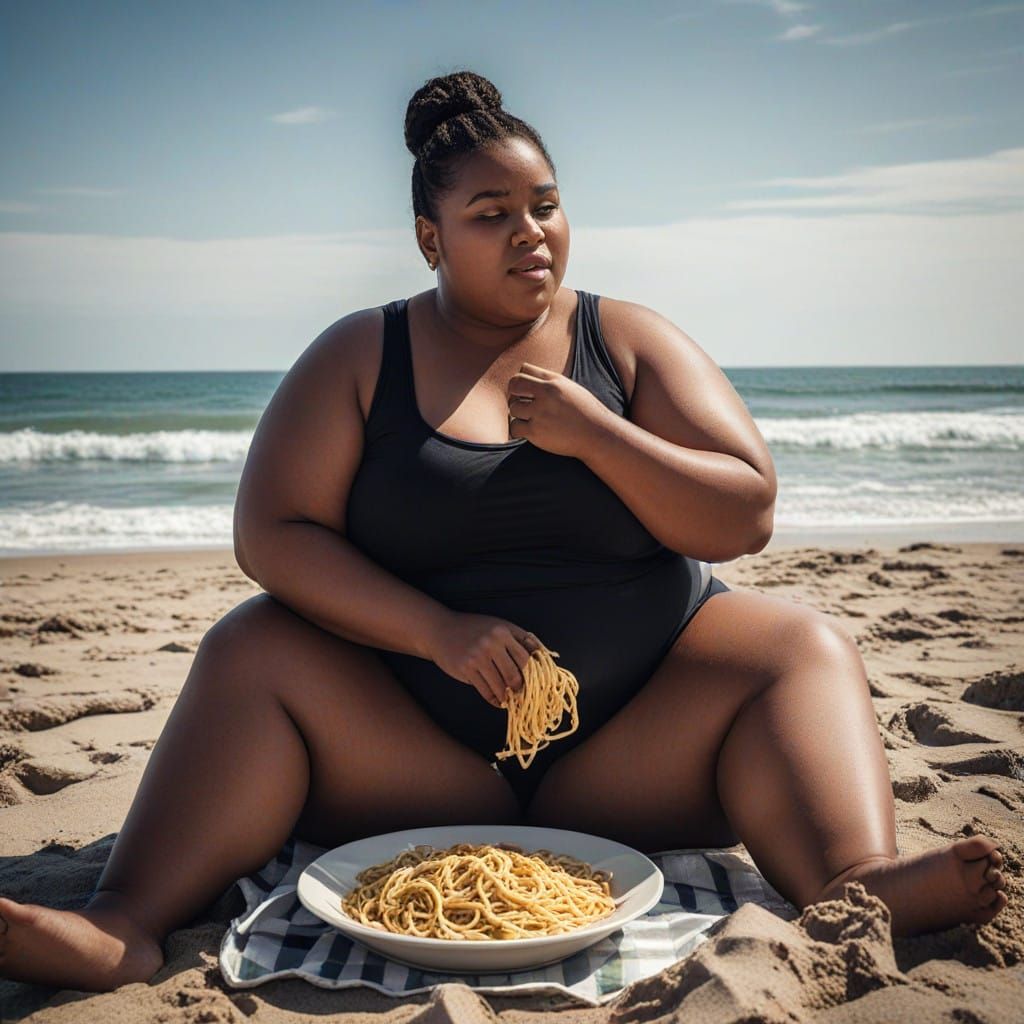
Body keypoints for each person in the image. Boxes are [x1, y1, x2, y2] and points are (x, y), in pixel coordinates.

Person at [0, 69, 1007, 992]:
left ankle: (858, 879)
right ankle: (124, 923)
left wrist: (598, 434)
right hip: (409, 759)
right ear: (430, 237)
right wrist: (436, 630)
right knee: (249, 643)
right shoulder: (360, 353)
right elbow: (273, 533)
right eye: (492, 214)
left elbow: (744, 511)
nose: (531, 231)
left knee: (804, 640)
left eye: (545, 206)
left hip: (634, 750)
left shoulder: (627, 338)